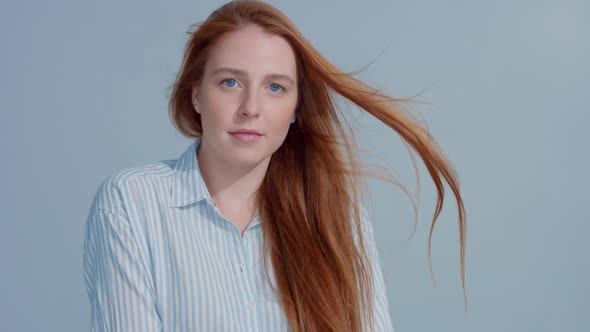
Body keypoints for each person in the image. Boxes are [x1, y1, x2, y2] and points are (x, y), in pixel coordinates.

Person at [82, 1, 467, 331]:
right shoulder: (130, 204)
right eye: (230, 82)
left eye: (275, 87)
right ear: (196, 94)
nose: (251, 107)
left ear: (296, 108)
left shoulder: (336, 214)